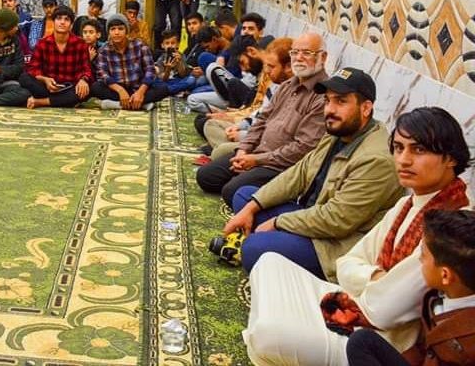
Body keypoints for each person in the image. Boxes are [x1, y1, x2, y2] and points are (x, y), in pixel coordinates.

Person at [243, 107, 473, 365]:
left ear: (450, 158)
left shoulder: (452, 226)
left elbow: (383, 311)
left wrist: (366, 281)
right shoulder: (408, 203)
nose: (403, 160)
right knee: (268, 262)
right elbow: (346, 263)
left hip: (382, 342)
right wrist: (376, 276)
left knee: (268, 334)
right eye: (398, 148)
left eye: (418, 150)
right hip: (358, 302)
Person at [221, 67, 404, 279]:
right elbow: (298, 174)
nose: (330, 109)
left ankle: (265, 244)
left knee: (254, 248)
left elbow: (336, 220)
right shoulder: (338, 131)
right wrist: (252, 207)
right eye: (327, 101)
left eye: (341, 101)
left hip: (334, 244)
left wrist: (278, 222)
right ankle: (271, 242)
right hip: (311, 214)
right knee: (245, 196)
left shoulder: (376, 159)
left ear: (365, 108)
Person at [196, 33, 329, 206]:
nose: (299, 58)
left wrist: (257, 160)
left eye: (306, 53)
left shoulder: (322, 96)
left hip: (281, 166)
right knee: (205, 176)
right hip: (257, 152)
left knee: (231, 192)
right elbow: (261, 120)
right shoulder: (287, 86)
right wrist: (244, 150)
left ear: (322, 57)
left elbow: (303, 148)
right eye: (295, 52)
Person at [346, 209, 475, 366]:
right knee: (362, 341)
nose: (419, 259)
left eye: (423, 255)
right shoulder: (436, 296)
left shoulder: (468, 346)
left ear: (445, 275)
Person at [91, 14, 168, 110]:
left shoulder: (140, 45)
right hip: (116, 91)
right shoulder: (103, 50)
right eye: (113, 29)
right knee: (96, 87)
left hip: (138, 88)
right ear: (109, 32)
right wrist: (120, 90)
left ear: (126, 31)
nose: (116, 32)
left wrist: (140, 92)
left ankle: (117, 104)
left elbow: (150, 70)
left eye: (120, 29)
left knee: (163, 88)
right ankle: (141, 104)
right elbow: (103, 74)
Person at [21, 6, 92, 109]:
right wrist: (45, 79)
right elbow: (33, 68)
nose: (62, 22)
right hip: (47, 86)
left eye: (66, 19)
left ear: (71, 25)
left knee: (86, 89)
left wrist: (83, 80)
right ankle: (63, 101)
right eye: (59, 18)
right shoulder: (42, 43)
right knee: (24, 78)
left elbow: (86, 68)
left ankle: (41, 102)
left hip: (69, 86)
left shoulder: (80, 44)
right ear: (53, 22)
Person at [152, 31, 197, 96]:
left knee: (191, 79)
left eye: (173, 43)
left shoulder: (181, 56)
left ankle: (168, 91)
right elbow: (163, 79)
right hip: (166, 82)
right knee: (155, 82)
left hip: (178, 80)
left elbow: (183, 75)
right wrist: (168, 69)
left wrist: (179, 62)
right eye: (167, 43)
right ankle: (175, 90)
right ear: (162, 45)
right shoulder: (161, 58)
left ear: (178, 44)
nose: (170, 45)